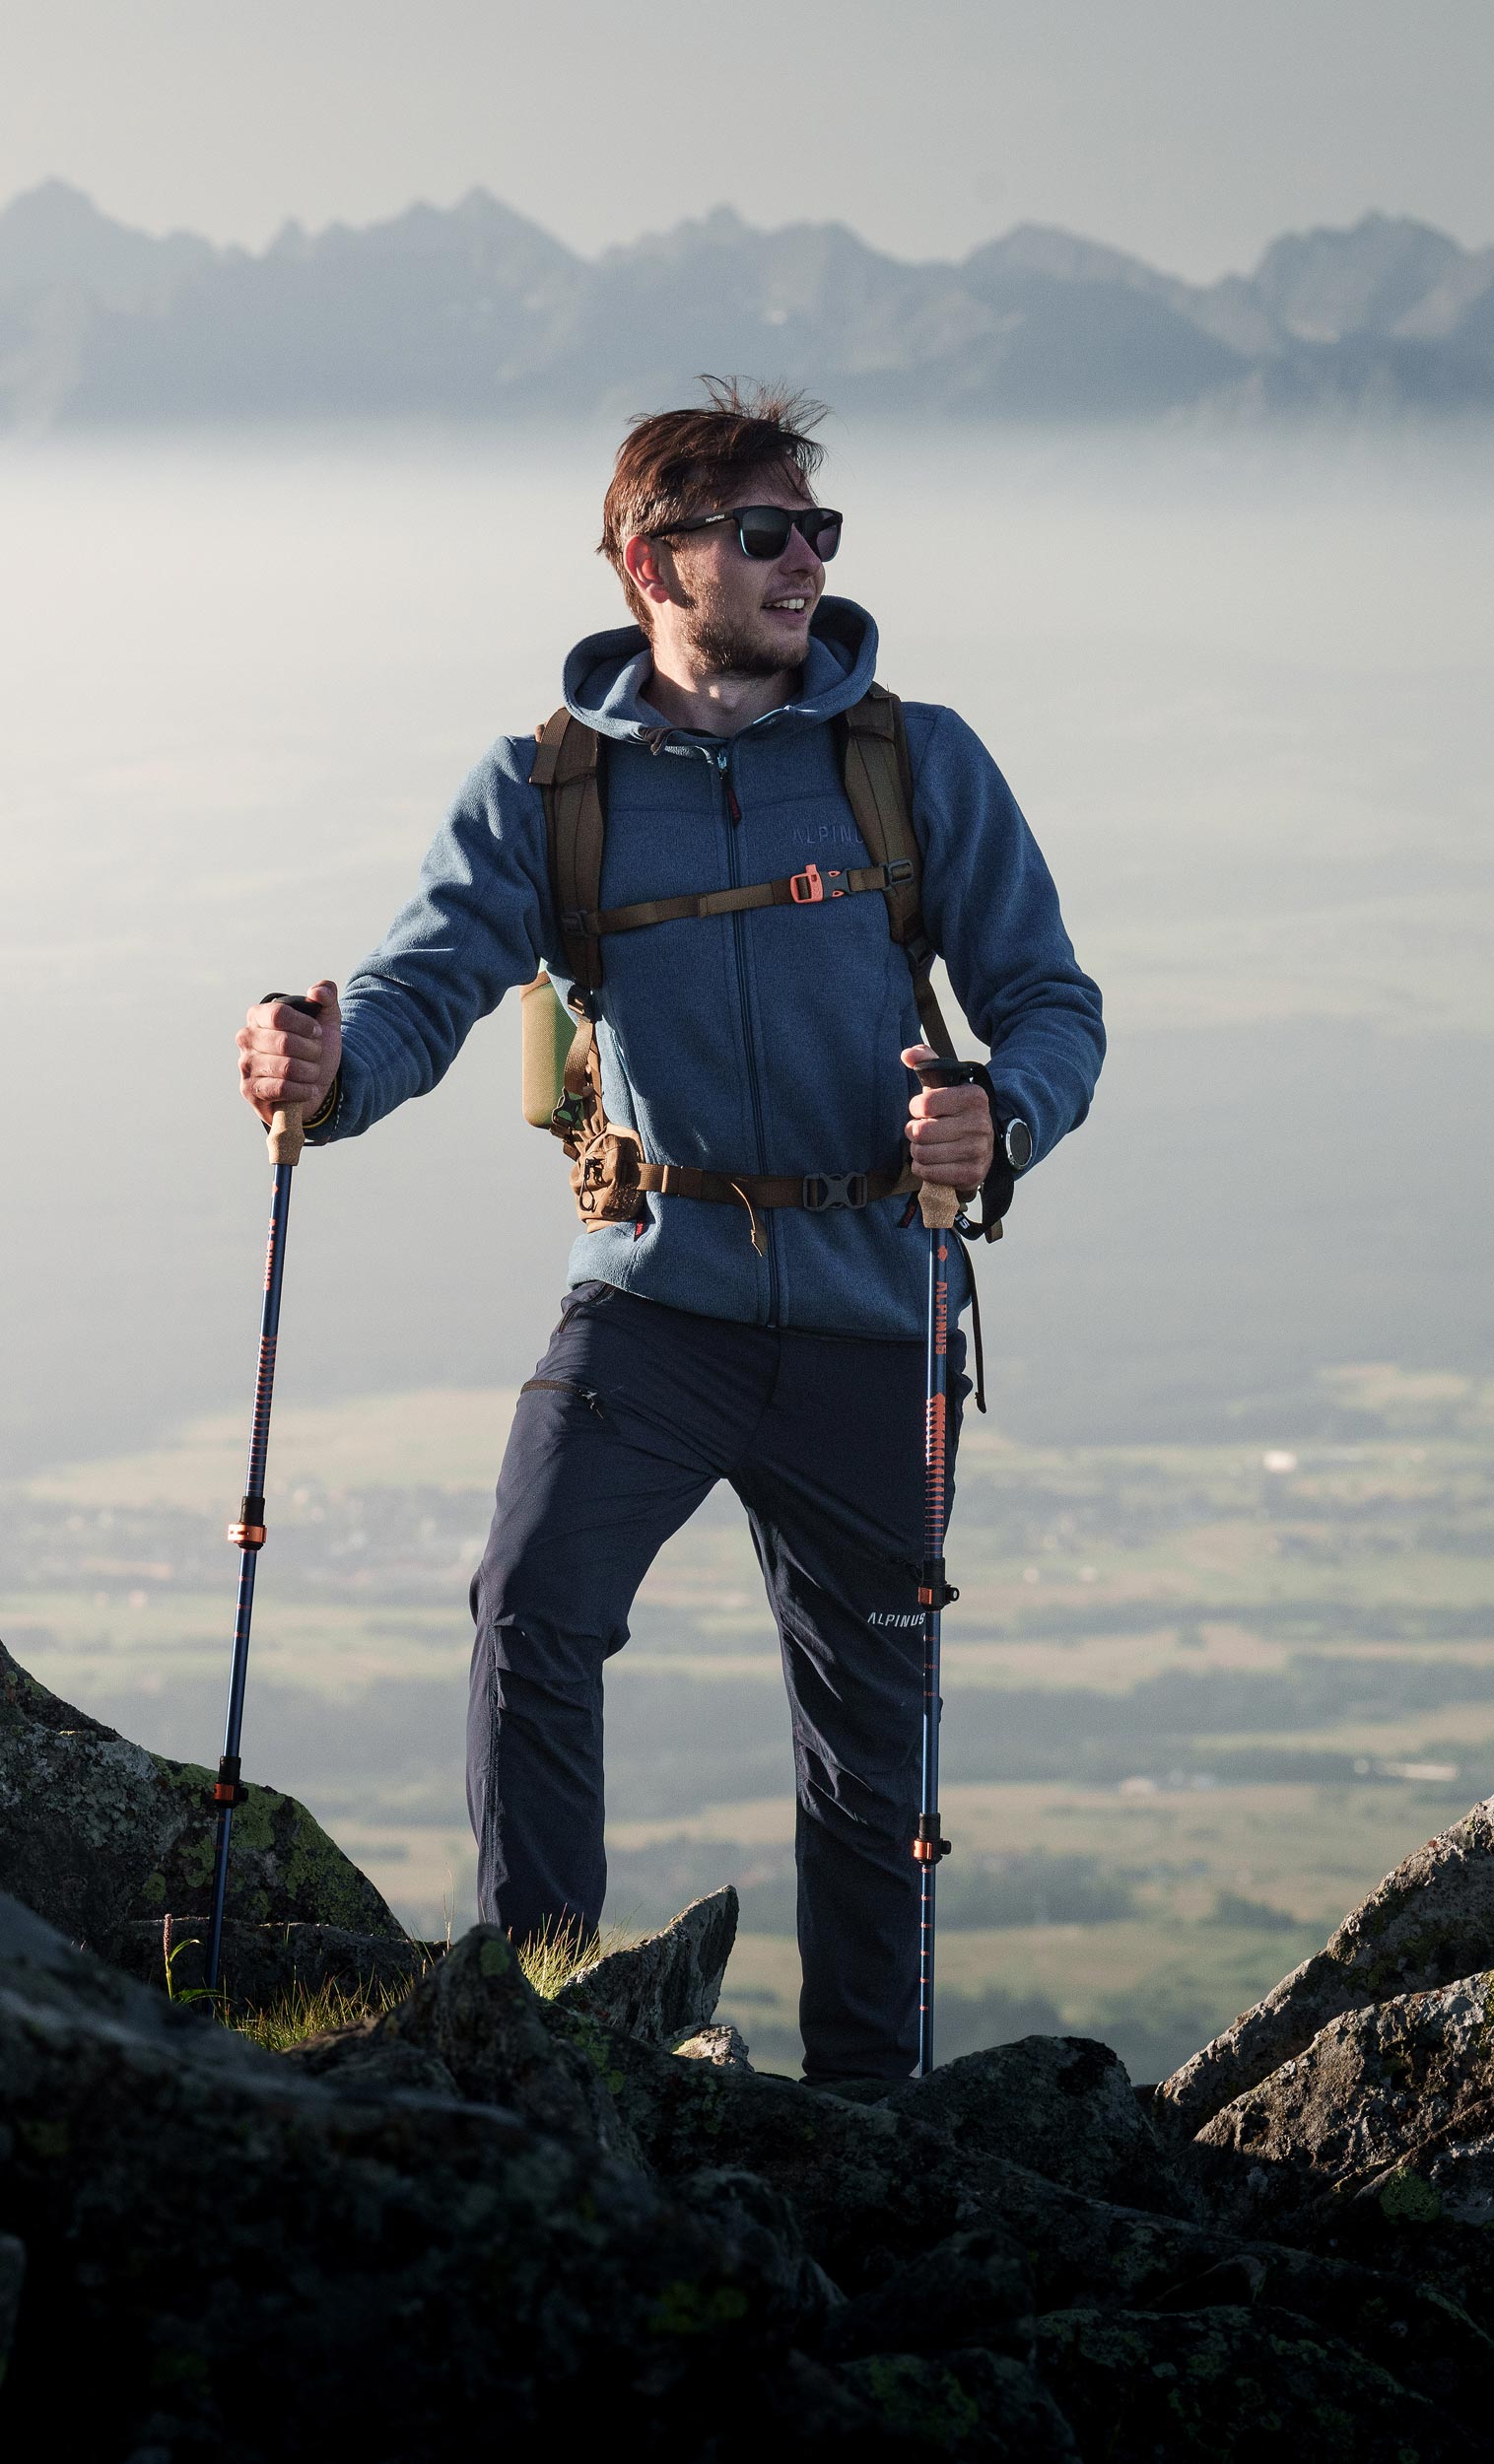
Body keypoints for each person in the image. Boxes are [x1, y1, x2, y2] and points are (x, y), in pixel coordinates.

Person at [238, 381, 1104, 2081]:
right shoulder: (545, 788)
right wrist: (324, 1074)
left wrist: (1002, 1115)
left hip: (876, 1312)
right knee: (531, 1611)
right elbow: (419, 997)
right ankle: (549, 2022)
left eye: (818, 532)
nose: (805, 565)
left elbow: (1050, 1004)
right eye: (763, 534)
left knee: (872, 1756)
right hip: (656, 1301)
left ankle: (868, 2119)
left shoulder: (915, 764)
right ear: (656, 561)